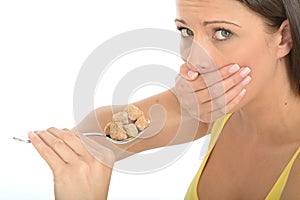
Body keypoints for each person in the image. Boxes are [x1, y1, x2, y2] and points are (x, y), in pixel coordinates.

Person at [28, 0, 300, 199]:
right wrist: (182, 106)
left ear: (283, 38)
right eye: (187, 32)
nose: (194, 59)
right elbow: (91, 135)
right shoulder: (219, 111)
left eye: (222, 33)